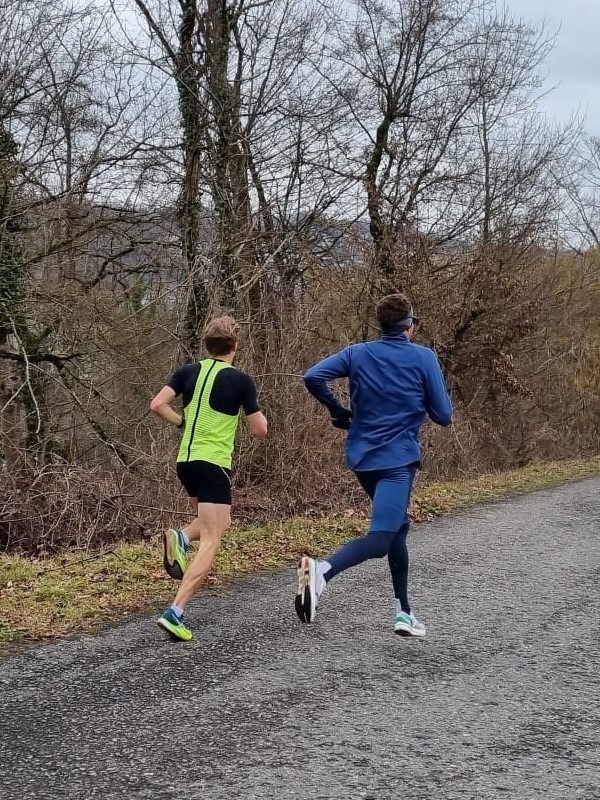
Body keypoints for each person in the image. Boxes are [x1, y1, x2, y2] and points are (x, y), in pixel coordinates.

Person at [296, 293, 452, 637]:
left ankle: (404, 612)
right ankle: (321, 572)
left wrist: (338, 411)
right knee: (382, 538)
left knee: (398, 527)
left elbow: (312, 376)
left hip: (362, 458)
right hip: (397, 461)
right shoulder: (423, 357)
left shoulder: (357, 353)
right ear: (409, 325)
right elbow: (443, 415)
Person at [150, 315, 267, 641]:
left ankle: (182, 538)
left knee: (217, 523)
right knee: (213, 539)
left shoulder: (187, 371)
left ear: (207, 344)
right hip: (213, 464)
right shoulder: (240, 381)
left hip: (185, 463)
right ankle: (176, 612)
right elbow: (260, 431)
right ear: (235, 346)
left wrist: (180, 423)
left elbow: (157, 404)